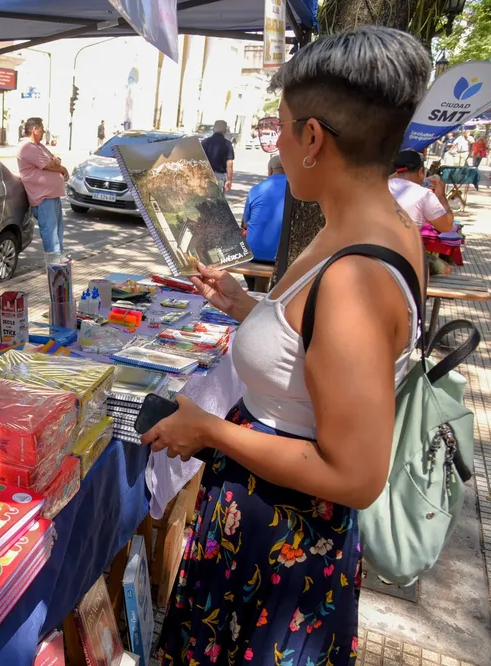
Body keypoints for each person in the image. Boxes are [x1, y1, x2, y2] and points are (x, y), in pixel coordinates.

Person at [148, 27, 428, 665]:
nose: (272, 142)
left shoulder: (356, 276)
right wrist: (246, 308)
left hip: (283, 542)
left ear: (313, 137)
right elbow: (315, 351)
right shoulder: (373, 223)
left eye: (280, 126)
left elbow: (355, 476)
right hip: (267, 524)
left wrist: (211, 432)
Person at [17, 117, 67, 253]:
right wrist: (63, 169)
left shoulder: (39, 146)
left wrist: (55, 161)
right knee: (52, 239)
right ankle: (56, 271)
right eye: (42, 130)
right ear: (35, 130)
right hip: (43, 199)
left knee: (58, 236)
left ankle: (60, 270)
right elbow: (48, 164)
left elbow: (54, 158)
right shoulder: (27, 147)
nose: (43, 133)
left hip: (52, 196)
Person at [240, 154, 287, 291]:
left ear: (270, 170)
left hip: (254, 254)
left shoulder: (256, 189)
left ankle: (254, 292)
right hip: (282, 256)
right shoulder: (296, 189)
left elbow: (245, 224)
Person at [201, 119, 234, 192]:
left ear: (213, 129)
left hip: (205, 175)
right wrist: (229, 180)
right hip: (219, 176)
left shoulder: (204, 142)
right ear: (225, 131)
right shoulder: (227, 144)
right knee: (217, 201)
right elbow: (229, 163)